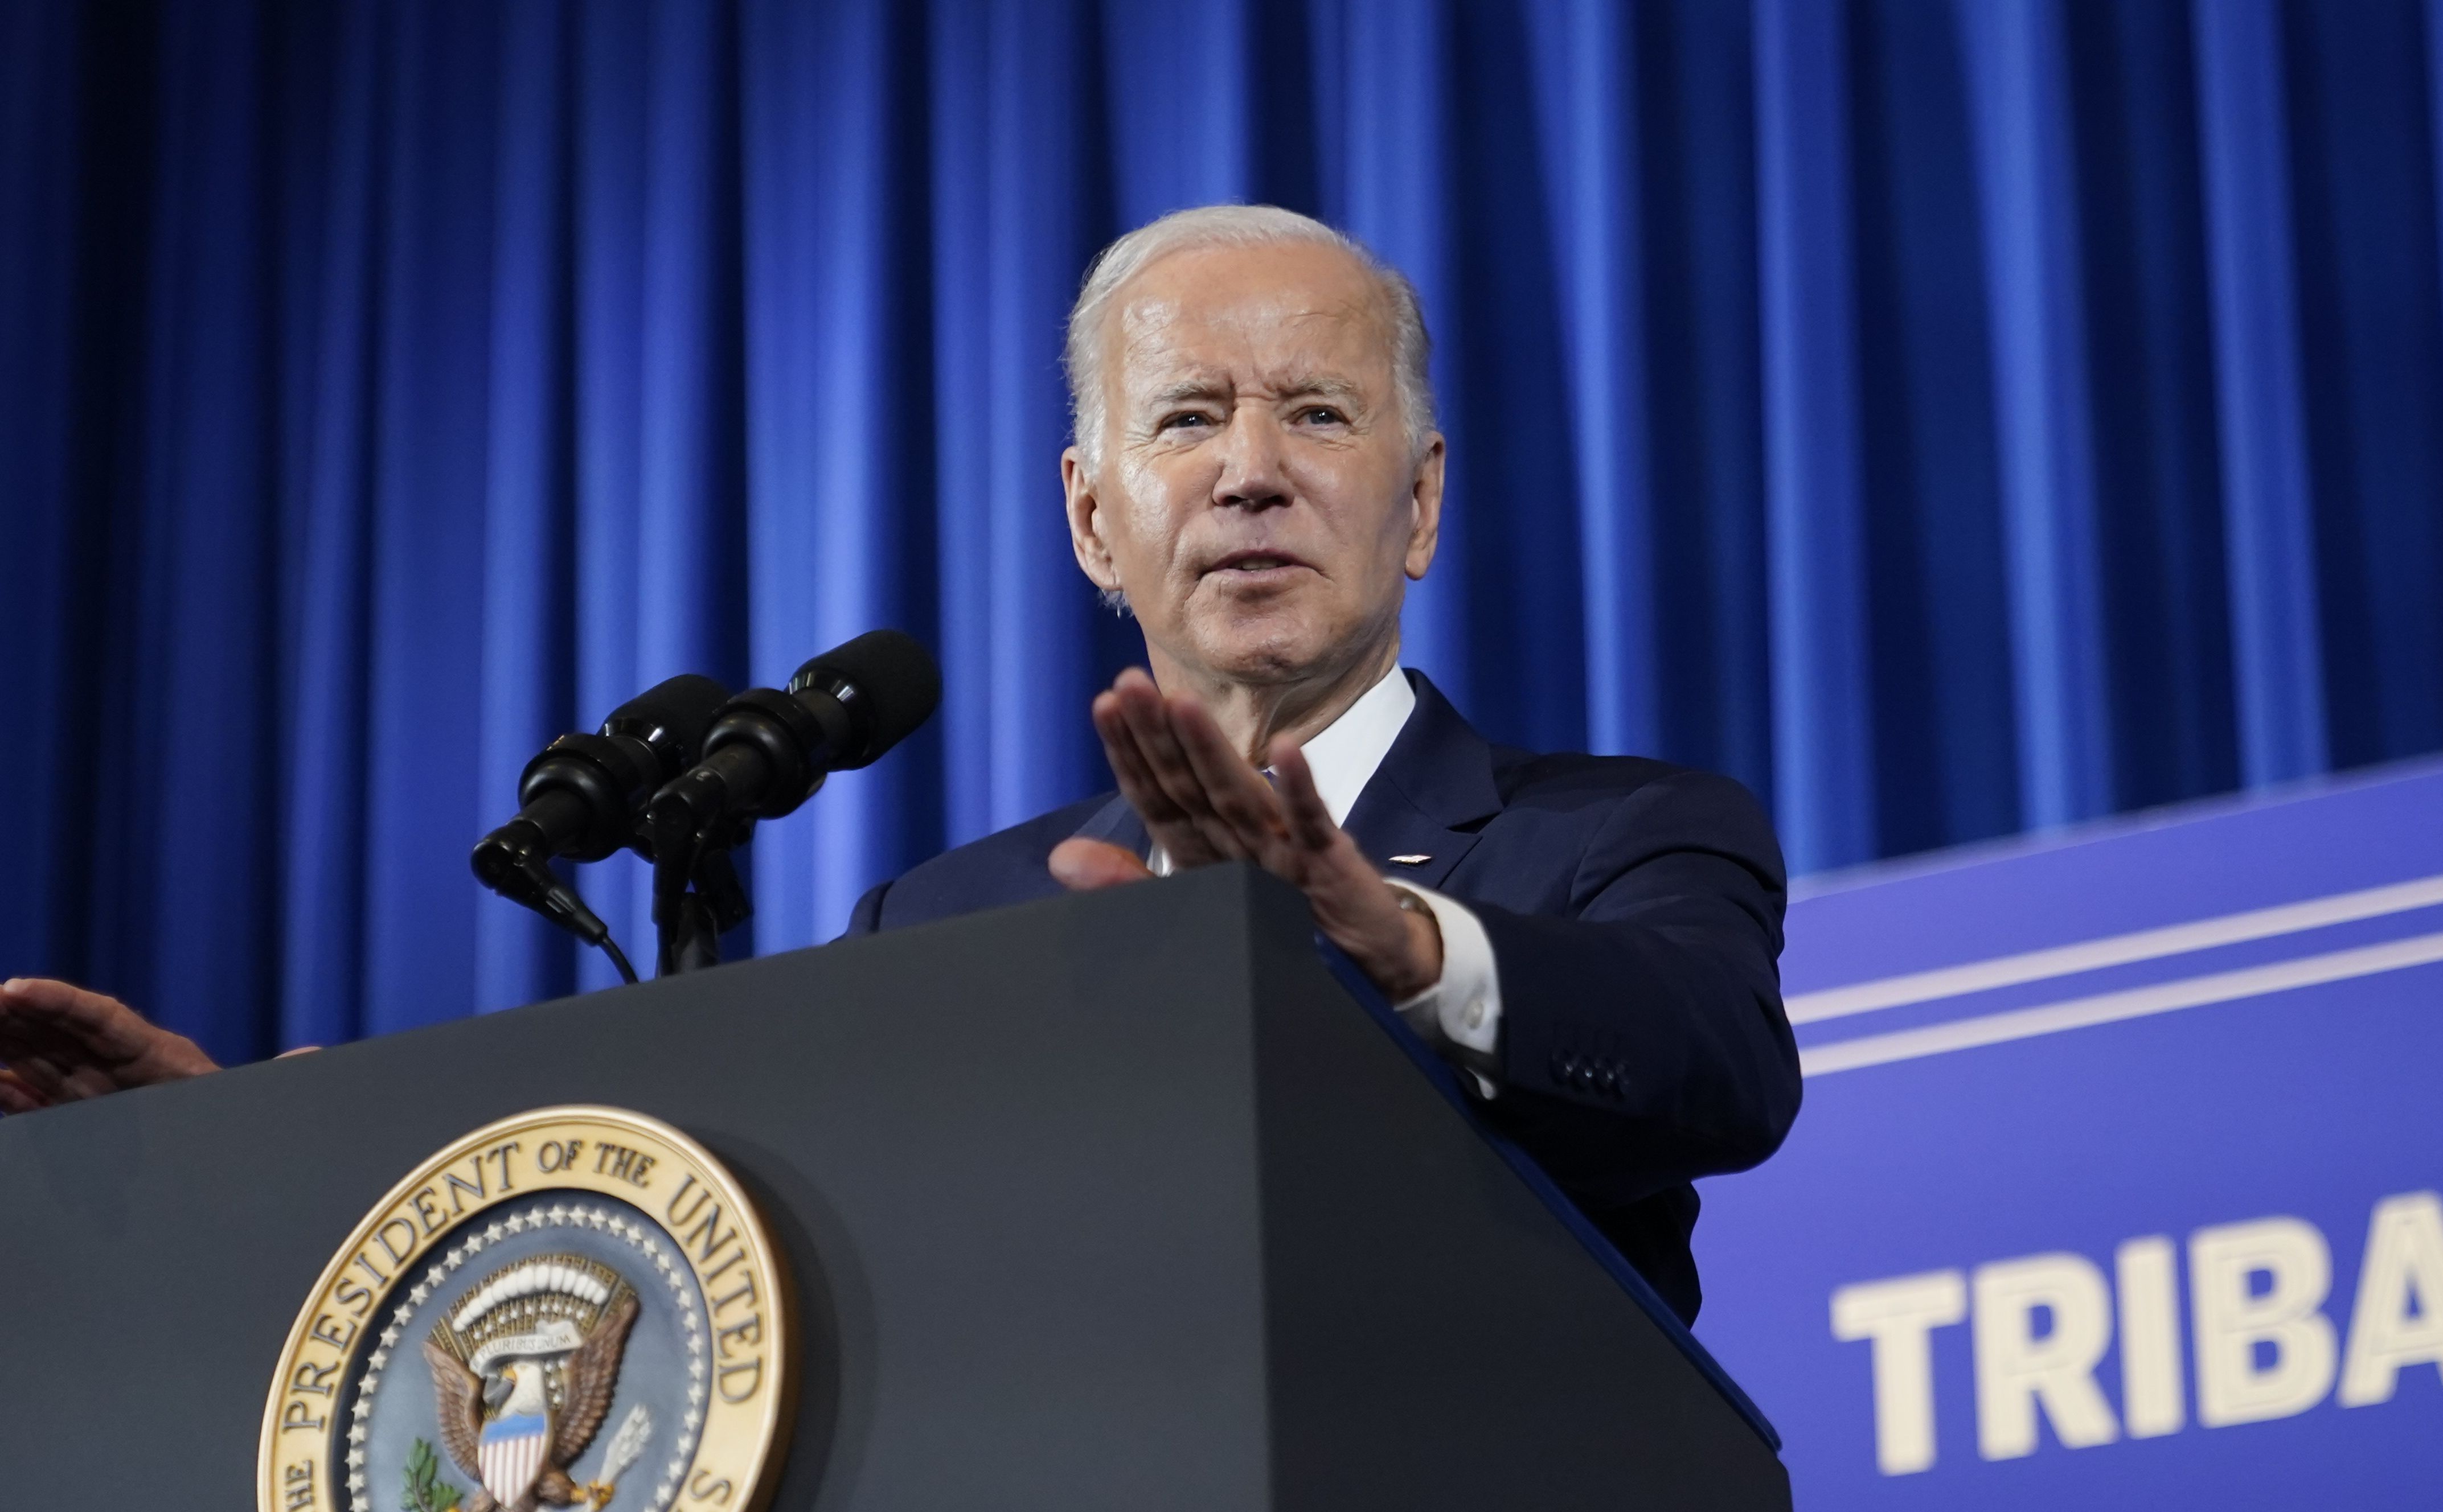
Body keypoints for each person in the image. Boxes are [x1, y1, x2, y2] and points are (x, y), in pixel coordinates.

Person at [0, 204, 1800, 1323]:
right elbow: (731, 1246)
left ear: (1417, 506)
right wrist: (261, 1159)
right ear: (1095, 520)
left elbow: (1718, 1071)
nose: (1251, 469)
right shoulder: (946, 918)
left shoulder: (1628, 834)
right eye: (1188, 419)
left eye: (1316, 413)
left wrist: (1391, 940)